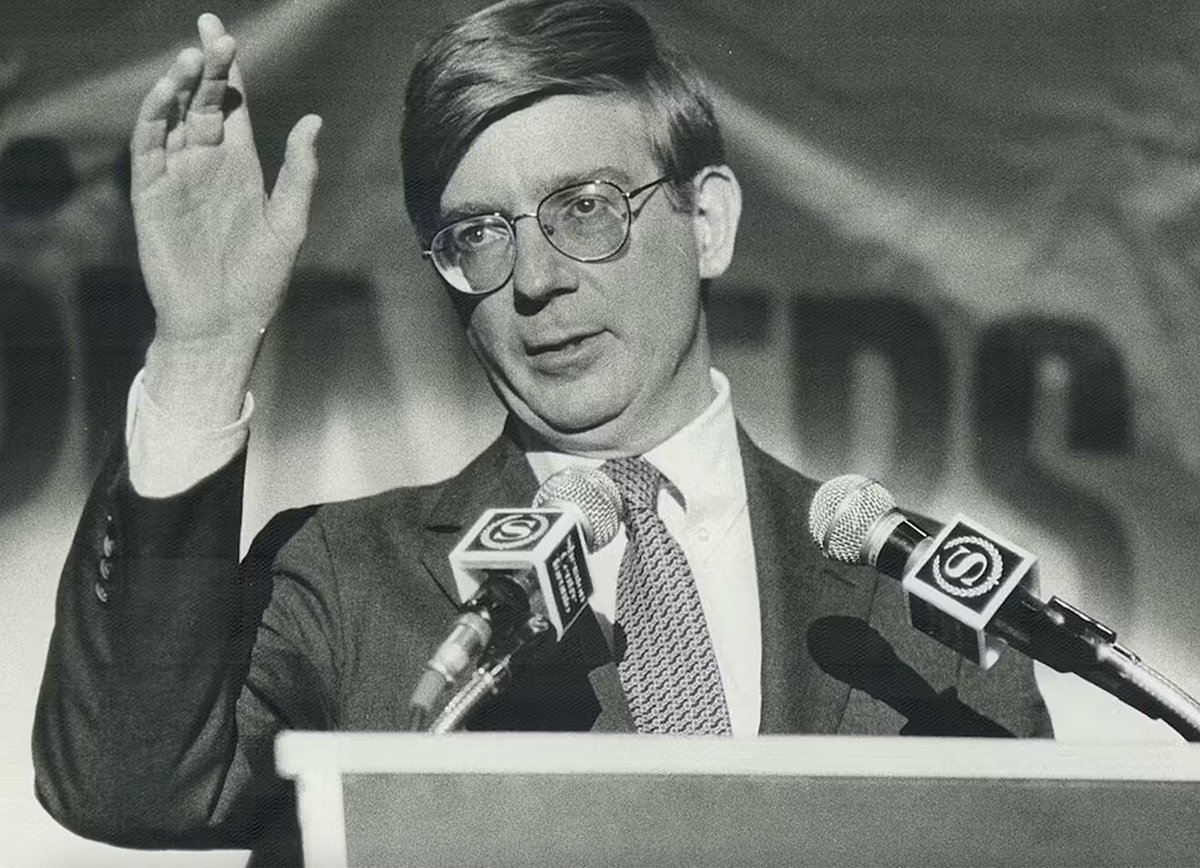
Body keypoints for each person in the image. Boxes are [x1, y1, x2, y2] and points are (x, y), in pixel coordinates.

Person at [33, 1, 1052, 864]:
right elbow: (126, 784)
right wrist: (204, 345)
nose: (535, 280)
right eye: (478, 234)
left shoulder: (924, 607)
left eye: (585, 207)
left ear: (708, 222)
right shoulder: (346, 577)